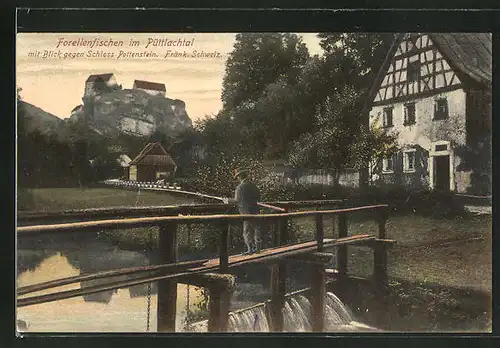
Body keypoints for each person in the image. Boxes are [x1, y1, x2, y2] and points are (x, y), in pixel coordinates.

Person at [223, 168, 262, 255]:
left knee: (247, 231)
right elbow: (259, 197)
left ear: (240, 177)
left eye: (237, 177)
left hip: (246, 212)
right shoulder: (253, 185)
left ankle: (250, 250)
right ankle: (258, 249)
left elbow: (237, 200)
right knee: (256, 229)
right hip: (255, 211)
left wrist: (227, 201)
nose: (237, 179)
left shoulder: (240, 187)